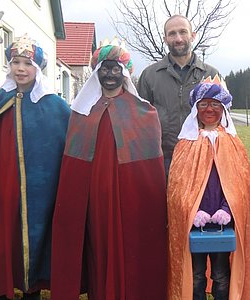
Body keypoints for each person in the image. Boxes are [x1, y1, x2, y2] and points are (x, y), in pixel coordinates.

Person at [50, 39, 168, 300]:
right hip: (94, 200)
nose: (110, 75)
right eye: (104, 69)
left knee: (129, 247)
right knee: (98, 247)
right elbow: (73, 164)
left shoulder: (143, 113)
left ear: (125, 73)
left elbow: (150, 171)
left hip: (129, 200)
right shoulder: (82, 111)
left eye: (116, 69)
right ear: (96, 72)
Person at [0, 34, 71, 300]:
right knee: (4, 237)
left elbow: (70, 145)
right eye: (15, 62)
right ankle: (1, 290)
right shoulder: (0, 99)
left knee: (34, 243)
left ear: (38, 68)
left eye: (27, 63)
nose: (20, 68)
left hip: (40, 193)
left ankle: (31, 291)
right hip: (3, 186)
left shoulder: (54, 105)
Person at [167, 75, 250, 300]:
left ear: (223, 109)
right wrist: (193, 211)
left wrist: (226, 210)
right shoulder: (186, 143)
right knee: (196, 275)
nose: (209, 109)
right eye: (204, 104)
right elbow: (177, 188)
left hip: (223, 223)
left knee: (221, 274)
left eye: (215, 104)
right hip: (194, 224)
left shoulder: (233, 143)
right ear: (195, 108)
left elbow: (239, 185)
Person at [138, 14, 220, 175]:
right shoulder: (149, 75)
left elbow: (223, 120)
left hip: (202, 158)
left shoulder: (210, 75)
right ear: (165, 38)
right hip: (162, 160)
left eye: (183, 32)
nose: (178, 38)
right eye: (172, 33)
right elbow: (140, 122)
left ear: (192, 35)